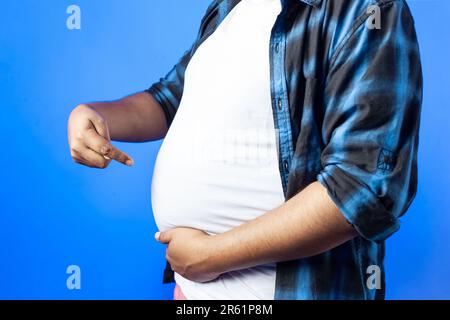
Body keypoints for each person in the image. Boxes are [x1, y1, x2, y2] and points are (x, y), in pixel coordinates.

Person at [67, 0, 422, 300]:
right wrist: (95, 114)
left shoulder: (368, 9)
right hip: (193, 292)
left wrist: (211, 256)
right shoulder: (228, 8)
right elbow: (168, 99)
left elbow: (362, 188)